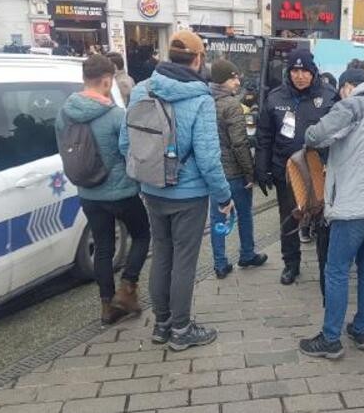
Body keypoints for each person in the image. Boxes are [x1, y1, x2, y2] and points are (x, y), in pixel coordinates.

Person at [120, 30, 233, 351]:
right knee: (184, 261)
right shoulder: (199, 99)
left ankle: (162, 324)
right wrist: (224, 197)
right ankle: (182, 330)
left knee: (162, 255)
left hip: (152, 189)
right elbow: (210, 159)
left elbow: (123, 144)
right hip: (189, 196)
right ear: (198, 60)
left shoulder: (142, 90)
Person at [298, 68, 364, 359]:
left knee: (336, 271)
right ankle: (362, 329)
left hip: (352, 206)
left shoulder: (353, 105)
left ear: (348, 86)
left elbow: (314, 135)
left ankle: (330, 338)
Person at [55, 54, 150, 325]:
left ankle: (107, 305)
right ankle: (127, 289)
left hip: (88, 193)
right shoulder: (116, 116)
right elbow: (130, 152)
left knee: (104, 246)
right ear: (107, 82)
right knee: (142, 236)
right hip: (122, 192)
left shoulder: (64, 114)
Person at [255, 48, 338, 285]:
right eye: (295, 70)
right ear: (289, 72)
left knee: (323, 220)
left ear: (313, 72)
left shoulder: (330, 97)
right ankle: (291, 263)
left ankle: (326, 265)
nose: (299, 75)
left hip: (319, 171)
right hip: (287, 170)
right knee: (289, 220)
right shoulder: (275, 97)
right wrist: (261, 167)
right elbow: (264, 136)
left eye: (304, 71)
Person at [209, 59, 268, 279]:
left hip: (214, 172)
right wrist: (249, 172)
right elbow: (239, 143)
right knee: (244, 214)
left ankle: (220, 263)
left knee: (218, 218)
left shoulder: (206, 100)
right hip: (233, 172)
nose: (237, 81)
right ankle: (247, 253)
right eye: (234, 77)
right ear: (224, 80)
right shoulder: (232, 105)